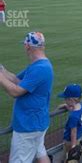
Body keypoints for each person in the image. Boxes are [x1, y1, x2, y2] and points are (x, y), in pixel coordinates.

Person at [0, 32, 53, 163]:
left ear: (28, 47)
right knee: (40, 152)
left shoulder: (40, 68)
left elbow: (16, 91)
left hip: (28, 126)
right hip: (37, 122)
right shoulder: (39, 65)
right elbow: (16, 80)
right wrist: (2, 70)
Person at [58, 84, 82, 161]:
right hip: (79, 137)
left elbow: (73, 133)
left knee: (69, 159)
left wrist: (73, 147)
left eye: (66, 99)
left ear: (71, 100)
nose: (64, 100)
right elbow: (75, 111)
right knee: (75, 158)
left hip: (70, 141)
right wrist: (67, 106)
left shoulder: (73, 117)